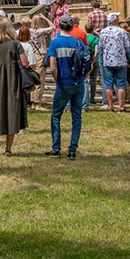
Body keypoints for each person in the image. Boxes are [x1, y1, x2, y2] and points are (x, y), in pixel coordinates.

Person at [0, 17, 29, 157]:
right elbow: (25, 63)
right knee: (12, 113)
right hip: (13, 81)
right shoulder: (16, 45)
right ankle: (8, 149)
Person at [45, 16, 88, 158]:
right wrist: (84, 77)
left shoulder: (55, 43)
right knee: (77, 116)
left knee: (56, 115)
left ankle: (56, 147)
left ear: (60, 26)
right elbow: (89, 64)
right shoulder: (78, 42)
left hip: (64, 83)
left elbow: (52, 67)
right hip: (78, 83)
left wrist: (58, 80)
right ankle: (72, 148)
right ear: (71, 27)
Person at [97, 13, 130, 113]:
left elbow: (101, 46)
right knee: (121, 84)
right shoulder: (121, 31)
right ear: (115, 20)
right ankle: (121, 106)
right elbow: (126, 46)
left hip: (108, 60)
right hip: (120, 60)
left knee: (108, 84)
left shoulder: (103, 32)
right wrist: (122, 54)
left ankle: (110, 106)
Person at [27, 13, 53, 109]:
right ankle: (38, 103)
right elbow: (53, 27)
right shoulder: (39, 31)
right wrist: (45, 18)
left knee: (34, 78)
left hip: (32, 55)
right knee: (40, 79)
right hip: (40, 55)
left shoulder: (29, 31)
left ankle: (33, 101)